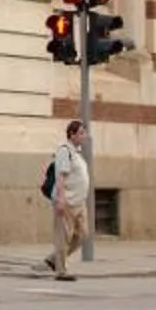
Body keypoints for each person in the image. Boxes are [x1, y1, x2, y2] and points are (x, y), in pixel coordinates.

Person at [44, 119, 91, 281]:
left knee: (83, 235)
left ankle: (53, 259)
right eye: (81, 133)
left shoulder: (76, 153)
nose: (84, 136)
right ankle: (61, 271)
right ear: (72, 134)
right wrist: (61, 200)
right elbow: (60, 177)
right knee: (63, 237)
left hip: (79, 203)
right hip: (67, 202)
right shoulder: (65, 151)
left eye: (84, 133)